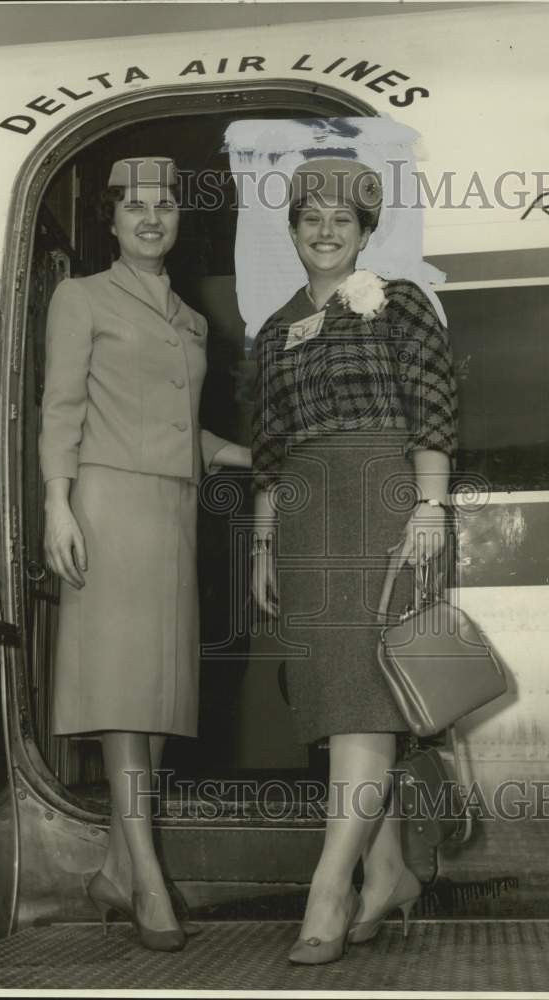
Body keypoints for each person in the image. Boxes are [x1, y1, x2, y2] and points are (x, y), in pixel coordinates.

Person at [40, 156, 250, 952]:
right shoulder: (81, 296)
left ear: (178, 218)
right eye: (136, 207)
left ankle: (120, 868)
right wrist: (58, 501)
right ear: (114, 218)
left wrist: (250, 453)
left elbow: (177, 431)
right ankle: (147, 879)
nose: (151, 218)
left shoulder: (190, 320)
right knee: (127, 691)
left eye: (165, 206)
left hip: (171, 510)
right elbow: (61, 406)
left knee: (157, 695)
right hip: (106, 501)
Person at [251, 157, 458, 965]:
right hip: (305, 511)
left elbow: (434, 405)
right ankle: (391, 870)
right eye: (311, 218)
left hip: (382, 498)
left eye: (342, 219)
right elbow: (269, 445)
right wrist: (263, 539)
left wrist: (430, 508)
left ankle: (327, 887)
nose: (325, 230)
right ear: (294, 229)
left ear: (367, 230)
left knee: (363, 695)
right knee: (332, 694)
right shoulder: (273, 329)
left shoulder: (398, 300)